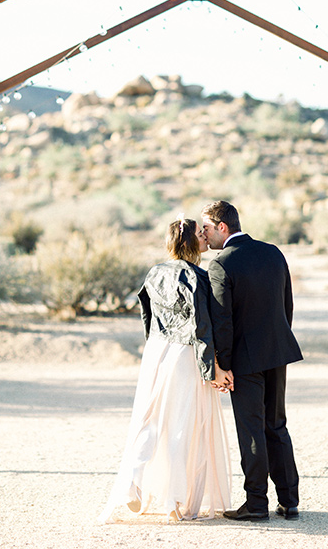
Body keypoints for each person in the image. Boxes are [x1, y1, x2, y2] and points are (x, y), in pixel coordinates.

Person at [98, 217, 232, 524]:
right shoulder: (199, 276)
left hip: (156, 349)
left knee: (150, 419)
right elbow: (201, 327)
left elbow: (147, 315)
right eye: (200, 234)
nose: (204, 238)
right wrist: (211, 367)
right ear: (191, 242)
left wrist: (154, 347)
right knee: (181, 424)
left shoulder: (154, 272)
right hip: (184, 353)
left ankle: (133, 481)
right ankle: (173, 500)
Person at [201, 200, 303, 522]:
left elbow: (223, 321)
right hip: (278, 352)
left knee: (251, 431)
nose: (204, 236)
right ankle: (289, 501)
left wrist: (223, 364)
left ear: (222, 227)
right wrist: (278, 339)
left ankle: (256, 503)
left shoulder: (221, 264)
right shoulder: (273, 252)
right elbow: (286, 305)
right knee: (277, 425)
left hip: (244, 361)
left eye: (206, 228)